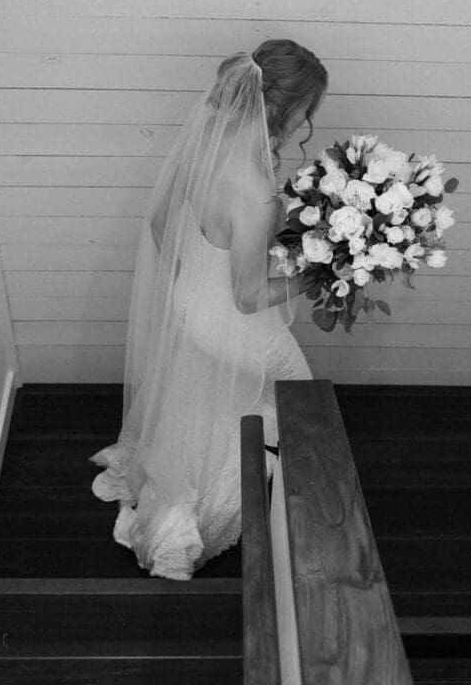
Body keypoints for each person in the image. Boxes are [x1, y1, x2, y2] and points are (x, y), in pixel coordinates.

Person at [90, 39, 328, 579]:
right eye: (305, 110)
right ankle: (210, 509)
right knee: (295, 391)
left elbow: (157, 223)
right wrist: (318, 272)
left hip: (189, 307)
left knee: (206, 398)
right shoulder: (255, 191)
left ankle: (184, 472)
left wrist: (190, 292)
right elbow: (247, 298)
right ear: (280, 107)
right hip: (229, 322)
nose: (306, 121)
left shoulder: (205, 143)